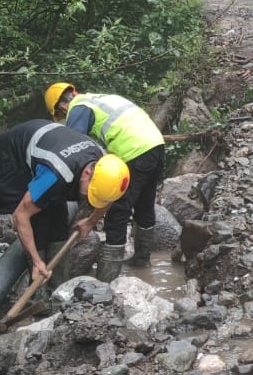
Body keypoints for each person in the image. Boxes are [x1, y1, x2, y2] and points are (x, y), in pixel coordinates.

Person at [44, 84, 165, 281]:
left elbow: (73, 147)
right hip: (156, 145)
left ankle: (107, 280)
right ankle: (142, 261)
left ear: (62, 108)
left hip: (133, 152)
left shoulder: (78, 108)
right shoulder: (98, 99)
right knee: (144, 205)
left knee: (117, 211)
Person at [0, 120, 130, 287]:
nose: (89, 198)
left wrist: (90, 222)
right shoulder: (56, 174)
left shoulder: (107, 168)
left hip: (53, 146)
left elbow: (108, 197)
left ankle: (59, 286)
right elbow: (21, 216)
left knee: (57, 219)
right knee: (36, 219)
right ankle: (35, 284)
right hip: (13, 156)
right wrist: (36, 261)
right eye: (91, 192)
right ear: (87, 173)